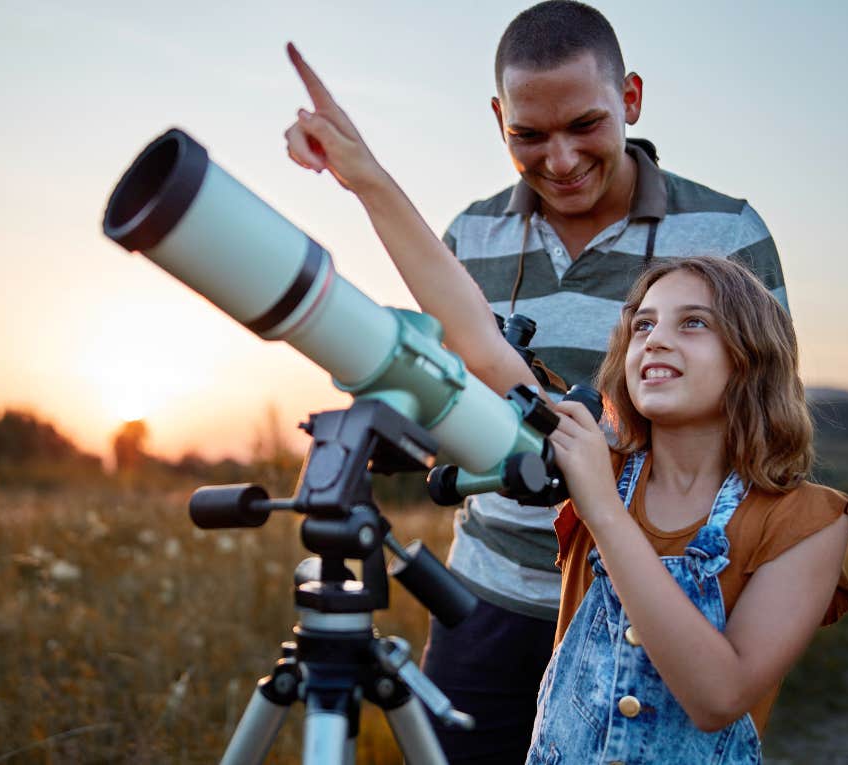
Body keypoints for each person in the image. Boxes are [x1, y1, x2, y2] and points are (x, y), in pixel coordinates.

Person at [283, 2, 795, 759]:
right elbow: (464, 393)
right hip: (485, 598)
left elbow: (769, 433)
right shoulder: (469, 235)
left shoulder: (727, 234)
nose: (559, 160)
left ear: (631, 100)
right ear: (498, 118)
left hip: (648, 604)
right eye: (528, 135)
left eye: (584, 125)